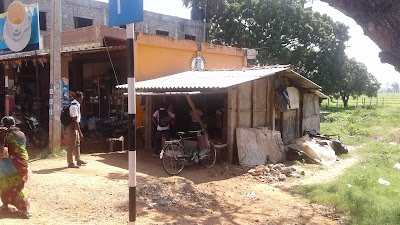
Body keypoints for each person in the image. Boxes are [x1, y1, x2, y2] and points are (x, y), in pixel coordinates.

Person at [0, 116, 30, 218]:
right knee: (18, 185)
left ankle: (9, 205)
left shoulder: (6, 135)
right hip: (22, 163)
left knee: (6, 184)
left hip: (10, 164)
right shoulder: (20, 134)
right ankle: (21, 208)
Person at [67, 91, 87, 168]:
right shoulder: (74, 106)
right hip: (73, 127)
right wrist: (80, 132)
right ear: (79, 97)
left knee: (77, 144)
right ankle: (70, 162)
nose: (82, 98)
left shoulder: (77, 105)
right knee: (71, 144)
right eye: (82, 97)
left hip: (75, 127)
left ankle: (78, 159)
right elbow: (75, 121)